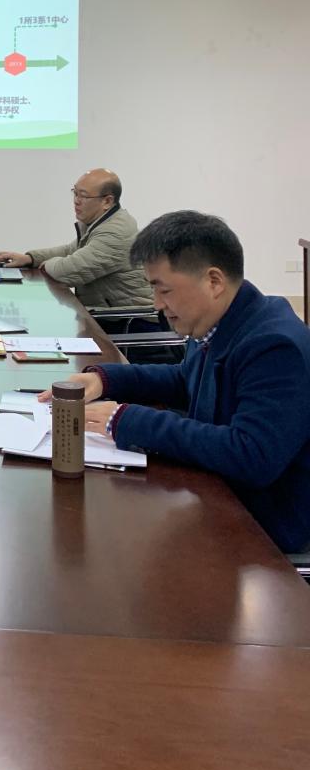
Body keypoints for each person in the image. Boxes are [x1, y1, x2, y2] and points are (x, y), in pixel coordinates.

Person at [40, 210, 310, 553]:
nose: (157, 304)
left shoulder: (274, 346)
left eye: (164, 290)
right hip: (215, 490)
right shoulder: (218, 319)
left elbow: (252, 455)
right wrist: (105, 380)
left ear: (213, 281)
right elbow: (186, 380)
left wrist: (128, 420)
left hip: (261, 524)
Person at [0, 168, 153, 309]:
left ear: (107, 201)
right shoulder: (99, 222)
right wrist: (30, 258)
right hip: (106, 315)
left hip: (129, 321)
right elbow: (70, 250)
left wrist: (46, 265)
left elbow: (68, 271)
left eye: (83, 196)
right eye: (75, 193)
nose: (76, 201)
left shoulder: (115, 232)